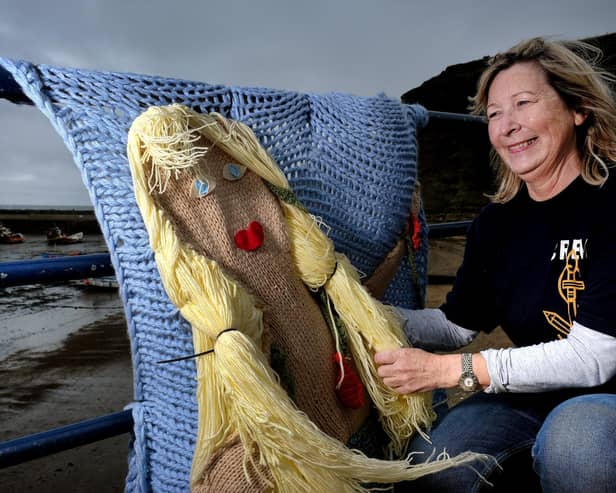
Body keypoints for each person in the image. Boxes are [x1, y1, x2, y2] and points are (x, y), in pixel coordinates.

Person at [375, 37, 616, 492]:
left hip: (605, 394)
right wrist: (360, 314)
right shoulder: (497, 224)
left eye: (523, 103)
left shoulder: (610, 205)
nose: (508, 126)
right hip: (531, 395)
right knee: (435, 463)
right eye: (494, 113)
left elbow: (593, 359)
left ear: (578, 109)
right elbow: (455, 325)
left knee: (579, 446)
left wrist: (453, 371)